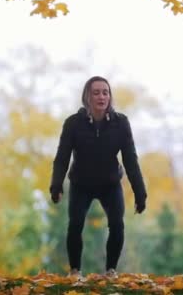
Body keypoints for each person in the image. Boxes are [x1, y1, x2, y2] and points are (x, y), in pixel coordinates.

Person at [49, 75, 147, 279]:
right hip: (80, 184)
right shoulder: (73, 123)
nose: (102, 96)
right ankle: (75, 271)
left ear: (110, 97)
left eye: (105, 92)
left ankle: (111, 271)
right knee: (75, 224)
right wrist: (56, 185)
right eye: (96, 92)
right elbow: (62, 157)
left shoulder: (121, 123)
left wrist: (140, 192)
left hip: (110, 184)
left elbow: (130, 159)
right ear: (87, 97)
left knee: (117, 224)